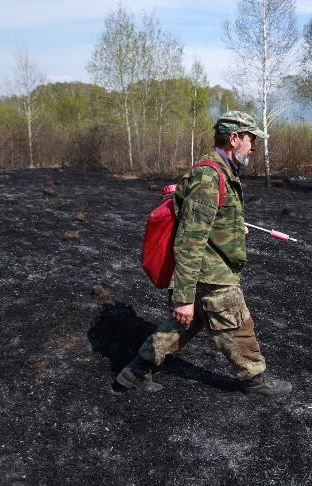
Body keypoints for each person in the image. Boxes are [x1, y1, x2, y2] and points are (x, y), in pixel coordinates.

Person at [116, 111, 292, 397]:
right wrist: (183, 297)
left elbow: (212, 222)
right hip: (210, 272)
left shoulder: (222, 174)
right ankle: (255, 377)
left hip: (207, 268)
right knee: (236, 321)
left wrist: (234, 229)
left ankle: (134, 372)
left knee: (183, 325)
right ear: (234, 139)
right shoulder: (208, 178)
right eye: (251, 139)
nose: (254, 146)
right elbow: (189, 241)